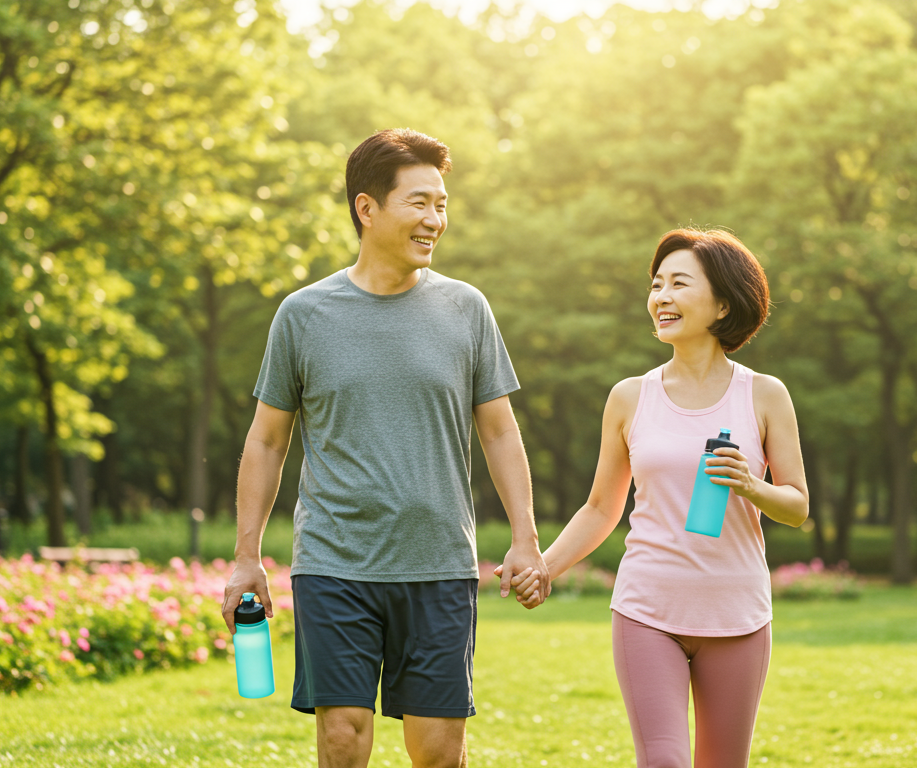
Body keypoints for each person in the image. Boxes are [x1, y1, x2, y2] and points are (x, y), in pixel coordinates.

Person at [221, 128, 549, 768]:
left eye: (443, 204)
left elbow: (500, 430)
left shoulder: (466, 309)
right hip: (334, 560)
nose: (436, 220)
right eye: (420, 203)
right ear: (367, 209)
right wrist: (245, 557)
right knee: (342, 738)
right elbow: (266, 440)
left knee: (437, 752)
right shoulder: (303, 314)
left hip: (439, 562)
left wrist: (525, 537)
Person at [518, 228, 809, 768]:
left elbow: (796, 504)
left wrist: (751, 484)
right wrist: (546, 566)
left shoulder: (765, 394)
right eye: (657, 285)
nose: (661, 297)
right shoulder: (630, 397)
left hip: (737, 614)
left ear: (723, 303)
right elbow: (602, 507)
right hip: (648, 608)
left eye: (679, 283)